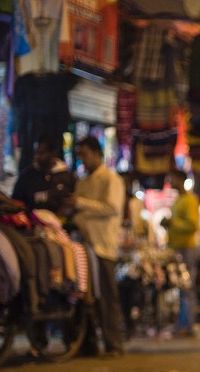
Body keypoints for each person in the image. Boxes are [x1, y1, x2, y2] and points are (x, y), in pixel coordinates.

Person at [66, 135, 127, 358]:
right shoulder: (82, 181)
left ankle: (114, 345)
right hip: (83, 247)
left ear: (97, 154)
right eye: (80, 156)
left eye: (85, 155)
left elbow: (111, 207)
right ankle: (88, 345)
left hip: (103, 246)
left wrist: (80, 204)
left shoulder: (110, 179)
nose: (83, 160)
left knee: (108, 298)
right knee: (85, 298)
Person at [162, 168, 200, 337]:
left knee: (187, 287)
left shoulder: (190, 200)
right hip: (178, 248)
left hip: (187, 248)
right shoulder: (179, 200)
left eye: (173, 179)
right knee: (181, 288)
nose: (170, 183)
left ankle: (189, 325)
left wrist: (172, 223)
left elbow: (192, 225)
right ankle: (182, 324)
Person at [10, 136, 75, 218]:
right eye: (36, 152)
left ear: (53, 153)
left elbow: (72, 202)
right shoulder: (26, 176)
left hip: (61, 225)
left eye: (41, 153)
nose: (37, 156)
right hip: (30, 224)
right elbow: (15, 202)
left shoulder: (67, 177)